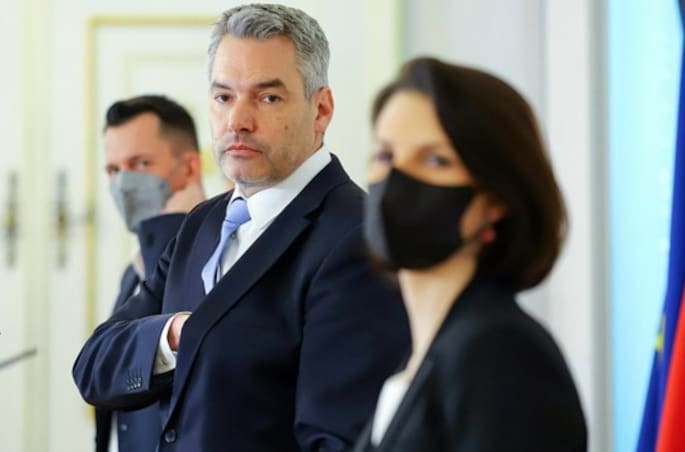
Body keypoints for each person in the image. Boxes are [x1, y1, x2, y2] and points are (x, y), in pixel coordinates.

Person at [72, 4, 409, 452]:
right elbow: (94, 367)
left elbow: (336, 440)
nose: (238, 121)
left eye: (268, 97)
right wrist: (174, 336)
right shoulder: (200, 226)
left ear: (321, 109)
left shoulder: (356, 238)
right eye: (223, 97)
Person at [353, 57, 588, 451]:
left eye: (435, 160)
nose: (396, 180)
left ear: (494, 200)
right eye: (385, 155)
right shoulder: (423, 355)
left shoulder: (501, 352)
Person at [95, 94, 206, 452]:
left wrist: (172, 227)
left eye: (140, 163)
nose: (123, 184)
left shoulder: (215, 255)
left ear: (190, 169)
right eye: (113, 170)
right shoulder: (134, 268)